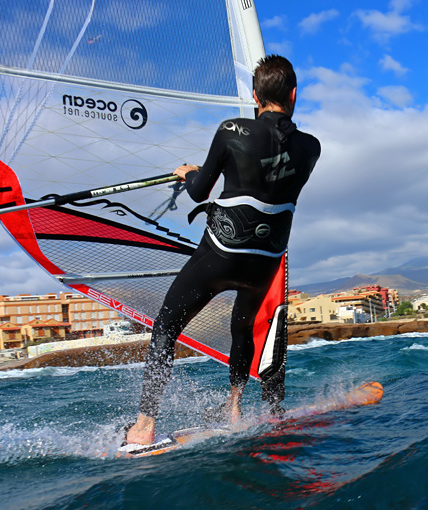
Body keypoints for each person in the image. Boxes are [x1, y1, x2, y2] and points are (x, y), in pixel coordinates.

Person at [125, 55, 320, 445]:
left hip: (222, 253)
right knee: (242, 327)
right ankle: (234, 410)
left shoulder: (231, 130)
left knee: (166, 324)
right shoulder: (312, 148)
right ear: (294, 94)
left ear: (254, 95)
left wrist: (189, 172)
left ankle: (144, 427)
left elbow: (200, 191)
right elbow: (276, 168)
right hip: (264, 262)